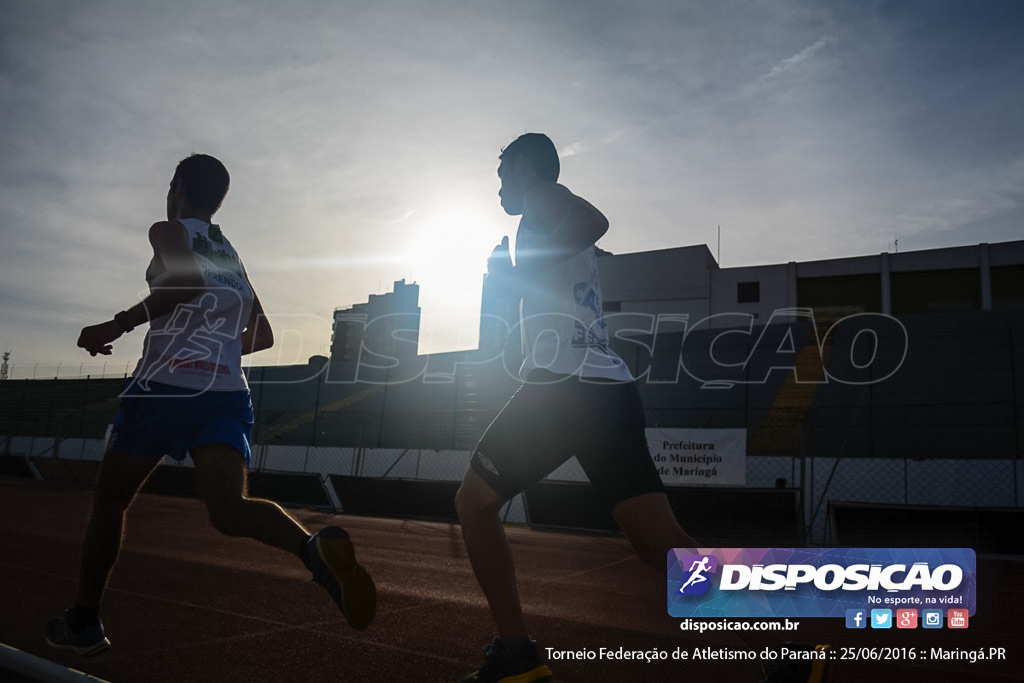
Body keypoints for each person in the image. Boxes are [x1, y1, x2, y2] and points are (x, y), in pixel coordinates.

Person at [46, 153, 376, 656]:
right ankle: (313, 553)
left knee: (110, 499)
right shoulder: (229, 252)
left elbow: (184, 283)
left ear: (177, 186)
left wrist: (117, 324)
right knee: (228, 509)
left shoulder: (168, 229)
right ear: (218, 199)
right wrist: (215, 350)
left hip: (165, 388)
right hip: (225, 393)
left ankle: (86, 621)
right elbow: (260, 334)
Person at [454, 133, 699, 682]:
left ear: (521, 167)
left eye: (500, 178)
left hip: (564, 390)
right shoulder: (542, 219)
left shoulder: (544, 195)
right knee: (657, 543)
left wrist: (512, 274)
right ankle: (787, 647)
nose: (497, 190)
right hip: (604, 390)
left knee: (473, 503)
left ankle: (516, 652)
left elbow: (594, 220)